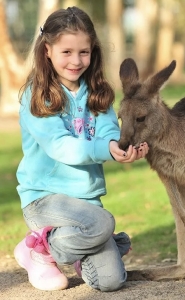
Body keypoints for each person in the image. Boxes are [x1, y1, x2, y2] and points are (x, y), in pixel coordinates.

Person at [14, 6, 149, 292]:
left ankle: (79, 246)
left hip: (86, 203)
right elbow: (61, 147)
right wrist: (105, 149)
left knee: (112, 280)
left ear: (93, 51)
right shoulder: (36, 95)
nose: (76, 61)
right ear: (47, 50)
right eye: (67, 52)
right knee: (102, 223)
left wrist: (119, 147)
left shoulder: (96, 90)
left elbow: (108, 130)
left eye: (84, 52)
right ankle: (39, 250)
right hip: (45, 200)